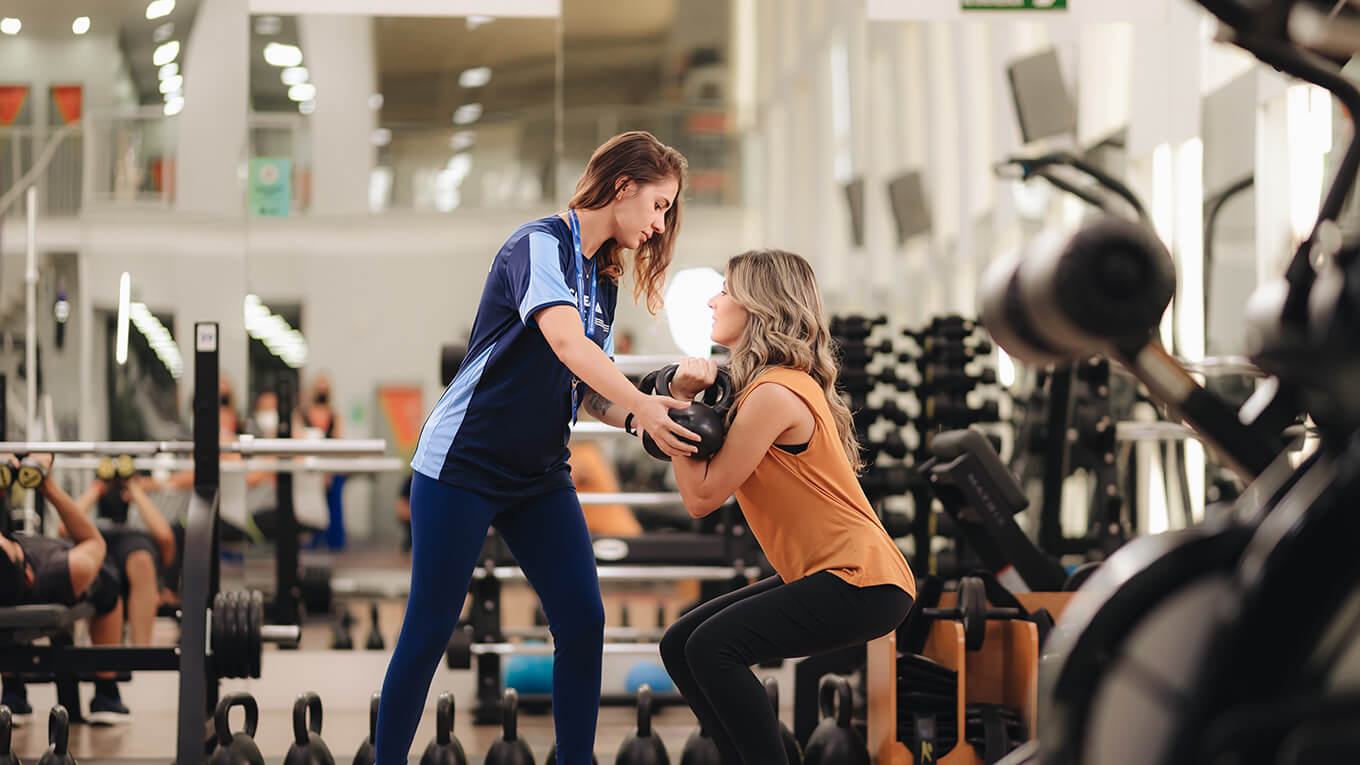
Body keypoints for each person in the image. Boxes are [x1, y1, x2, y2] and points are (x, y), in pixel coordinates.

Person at [376, 131, 695, 765]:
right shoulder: (539, 245)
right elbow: (568, 345)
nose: (660, 227)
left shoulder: (602, 279)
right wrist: (644, 403)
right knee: (429, 630)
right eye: (658, 206)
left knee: (582, 621)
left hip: (538, 475)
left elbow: (582, 389)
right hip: (460, 465)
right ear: (623, 188)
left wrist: (640, 423)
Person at [656, 249, 917, 765]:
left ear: (758, 305)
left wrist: (682, 406)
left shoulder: (775, 393)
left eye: (725, 290)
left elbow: (701, 497)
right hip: (836, 573)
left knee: (713, 649)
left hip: (861, 580)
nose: (713, 300)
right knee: (682, 644)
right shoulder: (766, 386)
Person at [0, 455, 128, 726]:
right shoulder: (63, 570)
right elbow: (94, 541)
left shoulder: (9, 560)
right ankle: (107, 694)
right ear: (28, 572)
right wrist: (47, 485)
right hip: (67, 571)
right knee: (107, 579)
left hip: (10, 590)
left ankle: (13, 695)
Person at [71, 473, 176, 647]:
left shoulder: (142, 518)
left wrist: (135, 490)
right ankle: (106, 662)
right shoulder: (88, 487)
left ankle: (141, 654)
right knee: (97, 565)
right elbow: (63, 529)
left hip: (135, 552)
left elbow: (165, 537)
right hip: (97, 546)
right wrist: (96, 489)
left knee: (141, 559)